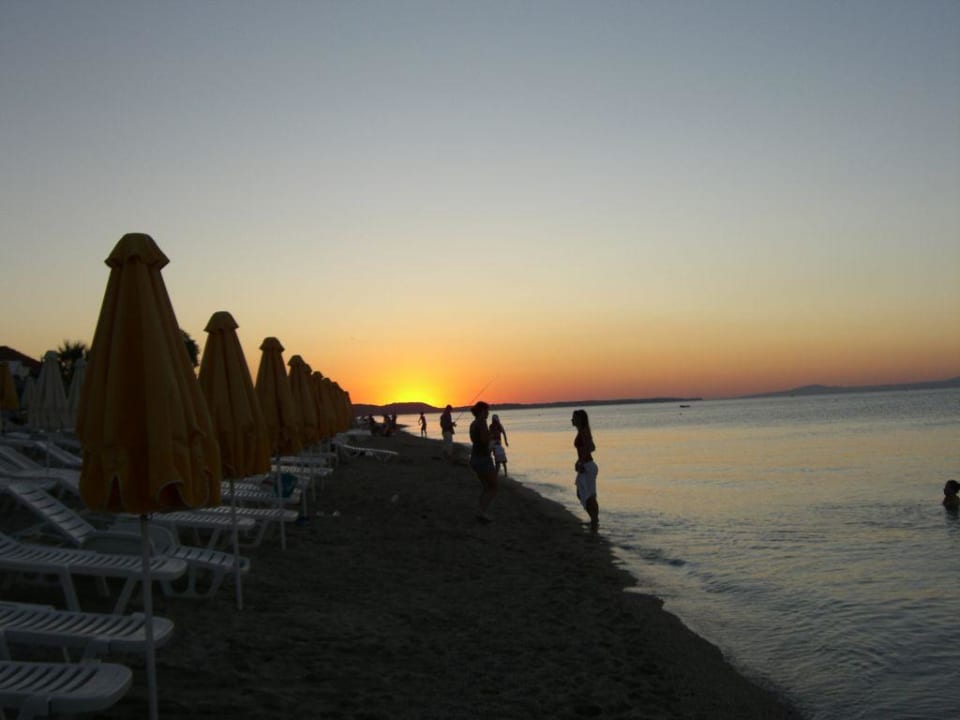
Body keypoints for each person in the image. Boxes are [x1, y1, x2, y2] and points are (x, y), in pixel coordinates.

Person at [469, 401, 498, 523]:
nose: (488, 413)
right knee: (493, 487)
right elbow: (484, 440)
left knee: (486, 487)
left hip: (475, 458)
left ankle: (480, 511)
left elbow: (475, 440)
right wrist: (492, 436)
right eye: (487, 410)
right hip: (483, 459)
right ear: (482, 411)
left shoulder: (473, 423)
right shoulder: (482, 422)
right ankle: (482, 512)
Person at [572, 409, 599, 531]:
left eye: (574, 417)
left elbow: (591, 447)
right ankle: (594, 519)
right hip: (586, 465)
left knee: (589, 495)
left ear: (580, 419)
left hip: (587, 466)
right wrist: (579, 461)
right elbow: (591, 447)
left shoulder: (583, 432)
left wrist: (580, 461)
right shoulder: (582, 432)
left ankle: (594, 520)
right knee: (584, 494)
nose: (572, 419)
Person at [489, 413, 509, 477]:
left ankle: (504, 473)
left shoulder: (499, 426)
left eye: (495, 420)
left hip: (497, 442)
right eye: (494, 420)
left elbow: (503, 433)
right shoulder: (491, 426)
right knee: (491, 455)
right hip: (493, 442)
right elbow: (489, 434)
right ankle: (492, 469)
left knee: (501, 458)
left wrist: (506, 441)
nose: (495, 421)